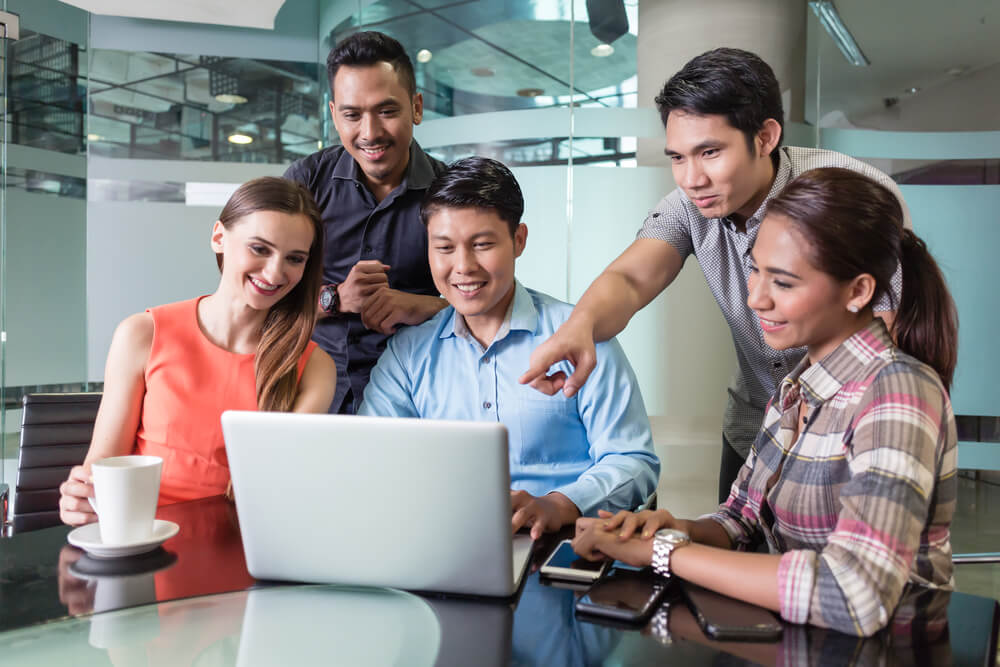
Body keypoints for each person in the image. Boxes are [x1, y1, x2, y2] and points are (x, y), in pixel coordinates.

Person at [571, 168, 958, 638]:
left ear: (858, 291)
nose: (755, 299)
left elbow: (854, 596)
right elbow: (742, 518)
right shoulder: (798, 386)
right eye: (755, 269)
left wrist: (666, 554)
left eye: (784, 283)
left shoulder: (897, 394)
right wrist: (674, 529)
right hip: (792, 637)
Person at [519, 47, 912, 503]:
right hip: (756, 425)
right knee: (734, 547)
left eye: (709, 152)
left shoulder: (846, 194)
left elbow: (885, 335)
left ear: (765, 137)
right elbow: (631, 278)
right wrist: (579, 329)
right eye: (678, 157)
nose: (691, 178)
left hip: (844, 427)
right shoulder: (690, 206)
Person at [359, 157, 660, 539]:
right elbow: (373, 458)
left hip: (558, 545)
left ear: (518, 240)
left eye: (482, 245)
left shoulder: (579, 335)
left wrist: (557, 504)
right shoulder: (408, 355)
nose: (463, 266)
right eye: (445, 248)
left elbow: (632, 460)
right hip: (443, 543)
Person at [58, 177, 337, 524]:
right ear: (219, 237)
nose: (274, 272)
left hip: (247, 547)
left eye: (294, 258)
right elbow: (102, 469)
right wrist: (80, 501)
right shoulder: (141, 334)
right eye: (260, 249)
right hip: (142, 541)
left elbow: (283, 491)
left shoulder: (314, 366)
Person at [284, 31, 448, 415]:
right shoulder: (304, 183)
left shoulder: (449, 193)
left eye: (387, 111)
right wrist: (335, 298)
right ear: (333, 115)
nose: (370, 133)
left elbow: (487, 306)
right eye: (352, 115)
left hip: (419, 403)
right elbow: (261, 297)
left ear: (417, 107)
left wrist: (420, 306)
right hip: (312, 398)